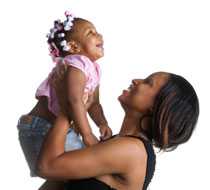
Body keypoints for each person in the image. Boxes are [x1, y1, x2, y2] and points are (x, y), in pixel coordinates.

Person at [37, 72, 199, 190]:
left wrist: (70, 105)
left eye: (148, 82)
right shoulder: (121, 144)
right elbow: (57, 180)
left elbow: (47, 167)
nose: (136, 80)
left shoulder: (132, 150)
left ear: (157, 106)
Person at [17, 11, 112, 177]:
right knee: (84, 170)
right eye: (91, 33)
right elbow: (74, 100)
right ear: (75, 47)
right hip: (42, 126)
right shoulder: (76, 64)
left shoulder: (93, 68)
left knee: (68, 178)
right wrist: (87, 135)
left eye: (96, 31)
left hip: (49, 127)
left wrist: (102, 123)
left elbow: (93, 103)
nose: (99, 35)